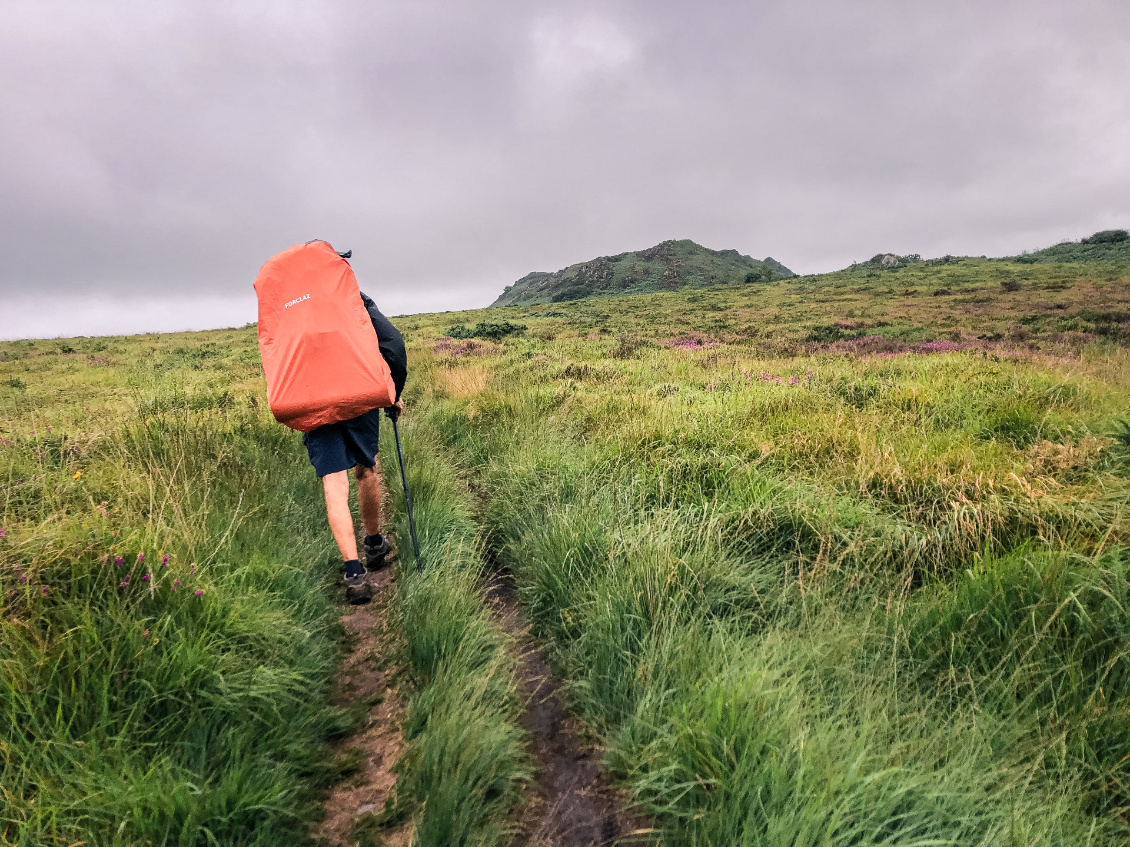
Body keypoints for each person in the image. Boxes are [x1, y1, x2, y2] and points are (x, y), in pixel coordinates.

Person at [300, 271, 408, 599]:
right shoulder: (353, 297)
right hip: (356, 396)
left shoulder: (290, 309)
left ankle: (354, 573)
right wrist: (392, 391)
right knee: (366, 468)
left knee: (334, 483)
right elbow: (393, 344)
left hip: (310, 400)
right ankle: (374, 545)